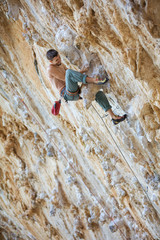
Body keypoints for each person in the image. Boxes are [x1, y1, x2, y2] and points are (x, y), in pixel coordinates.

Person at [46, 49, 127, 124]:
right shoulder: (50, 69)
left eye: (59, 57)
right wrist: (83, 72)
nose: (59, 60)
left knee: (96, 92)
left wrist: (83, 71)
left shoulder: (60, 64)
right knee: (69, 72)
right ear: (50, 61)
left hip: (74, 89)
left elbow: (72, 76)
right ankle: (94, 80)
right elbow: (66, 77)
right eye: (56, 60)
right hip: (67, 93)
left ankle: (113, 117)